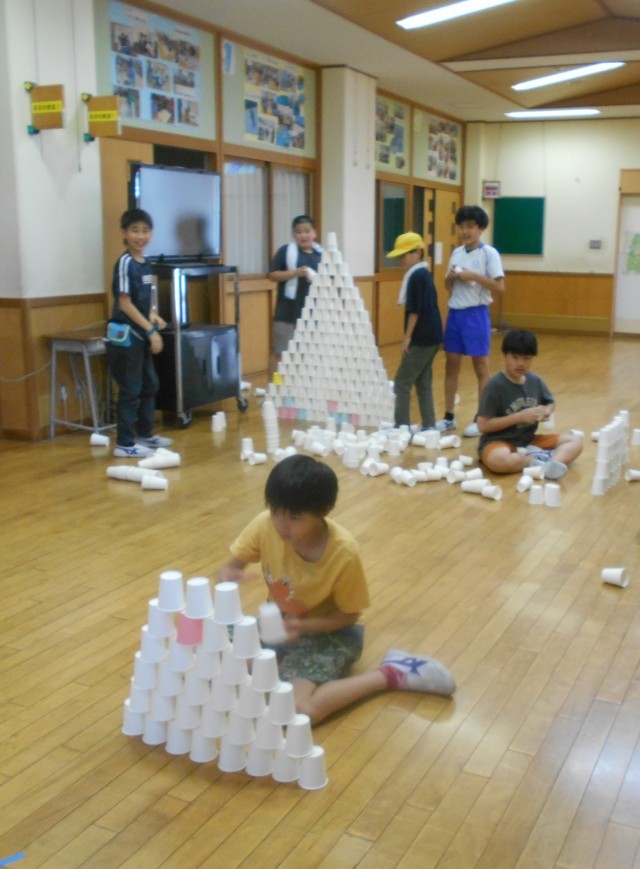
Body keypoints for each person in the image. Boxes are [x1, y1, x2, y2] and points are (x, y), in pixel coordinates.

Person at [218, 455, 456, 724]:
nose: (281, 524)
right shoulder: (265, 525)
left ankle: (390, 674)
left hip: (327, 634)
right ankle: (282, 664)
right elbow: (231, 566)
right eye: (275, 511)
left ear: (324, 510)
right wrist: (229, 574)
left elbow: (349, 615)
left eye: (295, 517)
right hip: (280, 627)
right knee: (211, 652)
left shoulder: (343, 553)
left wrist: (303, 627)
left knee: (298, 710)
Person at [106, 208, 173, 459]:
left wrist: (153, 315)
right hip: (126, 336)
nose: (140, 236)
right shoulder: (125, 263)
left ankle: (145, 434)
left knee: (150, 383)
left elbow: (143, 299)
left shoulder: (146, 263)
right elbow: (124, 303)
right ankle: (124, 443)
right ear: (124, 233)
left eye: (145, 231)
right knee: (131, 389)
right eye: (135, 230)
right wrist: (151, 330)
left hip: (140, 333)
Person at [436, 205, 505, 438]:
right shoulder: (456, 253)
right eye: (461, 226)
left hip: (477, 314)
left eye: (470, 226)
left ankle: (481, 419)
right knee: (451, 364)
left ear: (481, 228)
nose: (465, 231)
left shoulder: (489, 253)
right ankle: (448, 417)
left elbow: (499, 287)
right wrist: (451, 277)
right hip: (455, 314)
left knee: (481, 367)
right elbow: (448, 287)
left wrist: (473, 276)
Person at [477, 328, 583, 479]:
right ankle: (534, 461)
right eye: (515, 357)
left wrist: (547, 411)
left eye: (526, 358)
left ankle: (553, 464)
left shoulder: (535, 381)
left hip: (528, 440)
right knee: (499, 460)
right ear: (505, 355)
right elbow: (483, 425)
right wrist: (519, 417)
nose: (521, 363)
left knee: (576, 441)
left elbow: (550, 402)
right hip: (498, 442)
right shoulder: (495, 386)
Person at [387, 232, 443, 430]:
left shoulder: (416, 276)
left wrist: (407, 337)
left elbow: (414, 310)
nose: (401, 260)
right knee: (423, 382)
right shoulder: (424, 273)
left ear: (418, 252)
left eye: (404, 255)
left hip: (422, 338)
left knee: (402, 382)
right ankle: (429, 425)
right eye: (399, 256)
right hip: (432, 337)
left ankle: (401, 426)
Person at [267, 215, 322, 378]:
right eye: (298, 232)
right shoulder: (286, 251)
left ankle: (300, 387)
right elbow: (272, 275)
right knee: (280, 353)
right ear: (293, 234)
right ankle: (275, 386)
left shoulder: (321, 254)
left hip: (313, 314)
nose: (303, 235)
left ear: (314, 233)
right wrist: (295, 273)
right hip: (287, 312)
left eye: (307, 231)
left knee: (308, 355)